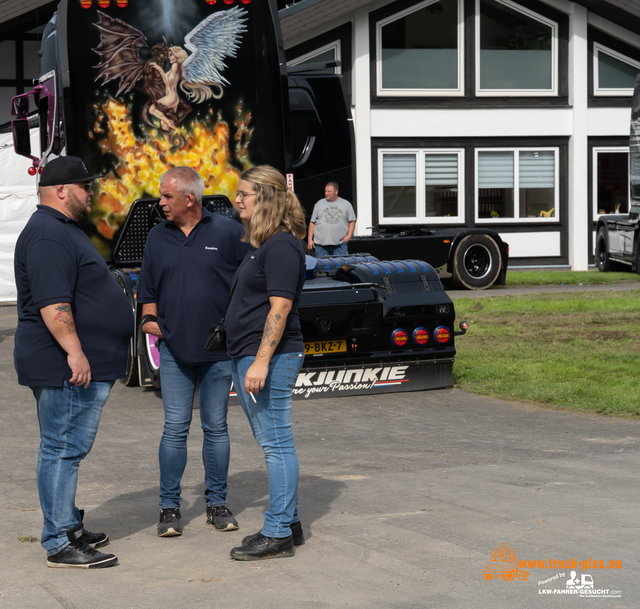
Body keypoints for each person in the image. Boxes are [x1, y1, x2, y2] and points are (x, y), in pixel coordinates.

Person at [14, 156, 134, 568]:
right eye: (84, 187)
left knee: (68, 448)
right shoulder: (48, 234)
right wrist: (75, 352)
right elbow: (52, 302)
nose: (91, 193)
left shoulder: (61, 229)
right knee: (62, 449)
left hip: (75, 361)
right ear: (61, 191)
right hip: (63, 364)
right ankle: (59, 541)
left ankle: (68, 523)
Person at [137, 166, 250, 537]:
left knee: (216, 428)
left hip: (219, 353)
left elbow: (248, 285)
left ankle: (216, 503)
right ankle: (169, 508)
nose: (161, 202)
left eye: (167, 196)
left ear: (190, 198)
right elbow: (147, 287)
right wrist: (150, 320)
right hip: (173, 351)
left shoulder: (230, 232)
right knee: (174, 429)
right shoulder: (157, 236)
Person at [224, 165, 307, 561]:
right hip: (254, 356)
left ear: (268, 198)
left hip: (270, 359)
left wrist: (259, 362)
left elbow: (281, 305)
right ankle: (288, 522)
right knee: (273, 441)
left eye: (245, 194)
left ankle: (277, 533)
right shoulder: (266, 244)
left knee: (276, 444)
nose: (237, 200)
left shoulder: (281, 246)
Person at [307, 181, 356, 258]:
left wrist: (348, 237)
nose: (326, 193)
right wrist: (310, 239)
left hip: (339, 245)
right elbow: (312, 223)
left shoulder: (346, 204)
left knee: (340, 268)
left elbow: (352, 221)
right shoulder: (319, 204)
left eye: (329, 191)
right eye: (325, 191)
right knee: (322, 268)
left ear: (336, 192)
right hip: (321, 246)